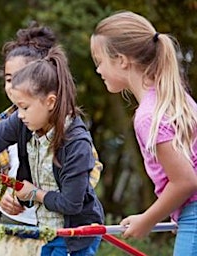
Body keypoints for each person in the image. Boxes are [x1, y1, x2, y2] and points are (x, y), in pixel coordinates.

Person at [0, 45, 104, 255]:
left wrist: (34, 194)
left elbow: (72, 203)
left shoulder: (77, 144)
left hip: (75, 235)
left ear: (50, 102)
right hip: (45, 231)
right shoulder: (24, 122)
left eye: (24, 107)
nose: (18, 115)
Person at [90, 10, 197, 255]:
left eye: (100, 62)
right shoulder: (173, 99)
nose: (98, 70)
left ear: (121, 60)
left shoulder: (149, 116)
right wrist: (175, 211)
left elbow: (186, 182)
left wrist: (148, 219)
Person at [0, 22, 103, 227]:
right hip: (12, 221)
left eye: (21, 77)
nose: (14, 86)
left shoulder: (69, 128)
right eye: (8, 79)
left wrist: (54, 196)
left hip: (55, 223)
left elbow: (92, 168)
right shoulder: (2, 123)